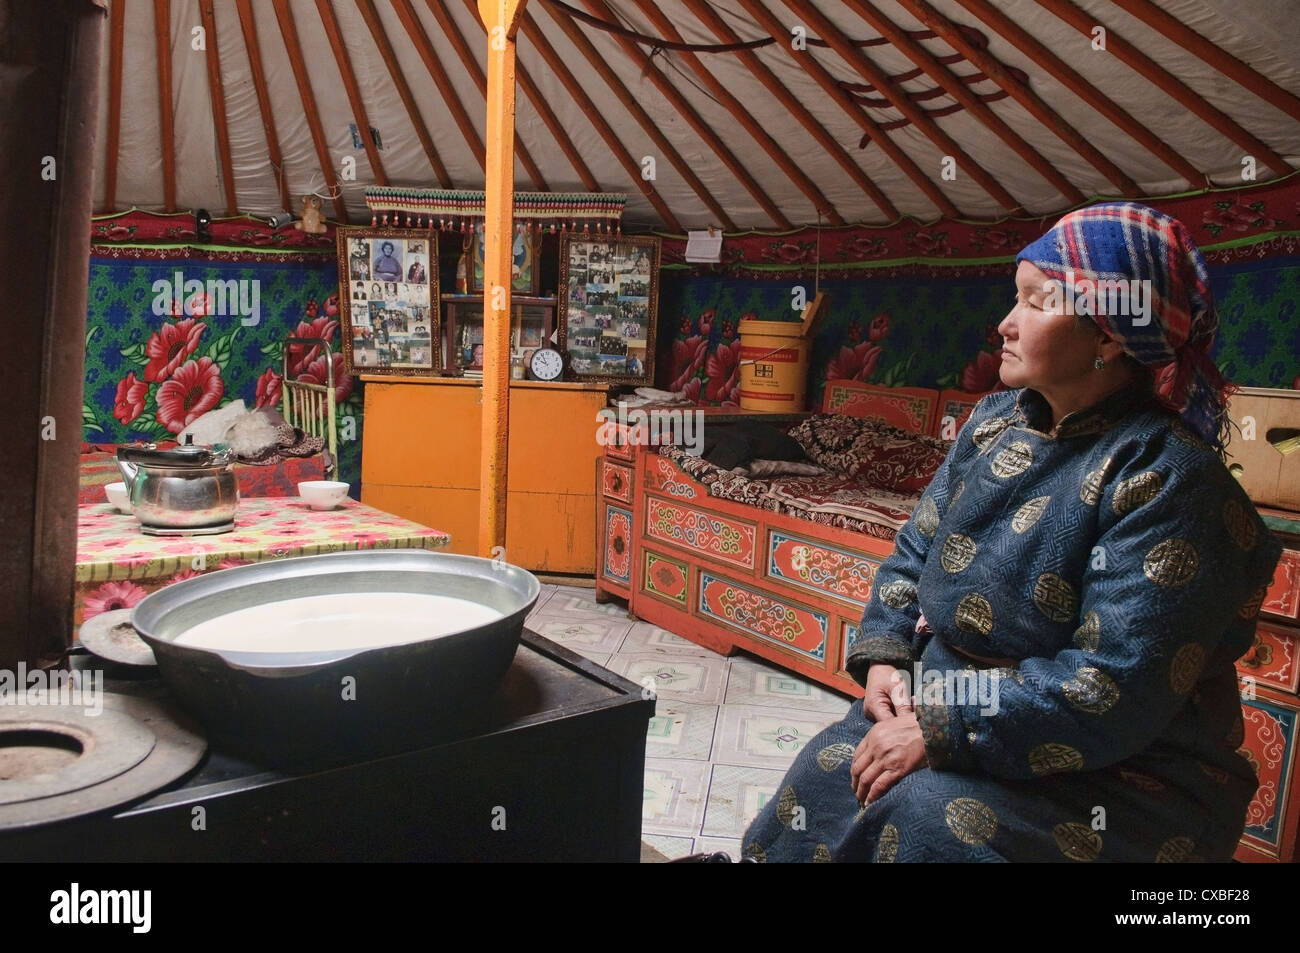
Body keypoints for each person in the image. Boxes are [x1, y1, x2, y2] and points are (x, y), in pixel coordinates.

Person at [742, 203, 1282, 863]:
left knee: (922, 822)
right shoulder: (996, 422)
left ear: (1108, 336)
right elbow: (916, 548)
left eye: (1035, 302)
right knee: (825, 772)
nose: (1004, 323)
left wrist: (939, 729)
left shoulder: (1168, 479)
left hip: (1120, 772)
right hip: (956, 713)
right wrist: (886, 654)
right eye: (1013, 296)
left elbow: (1110, 687)